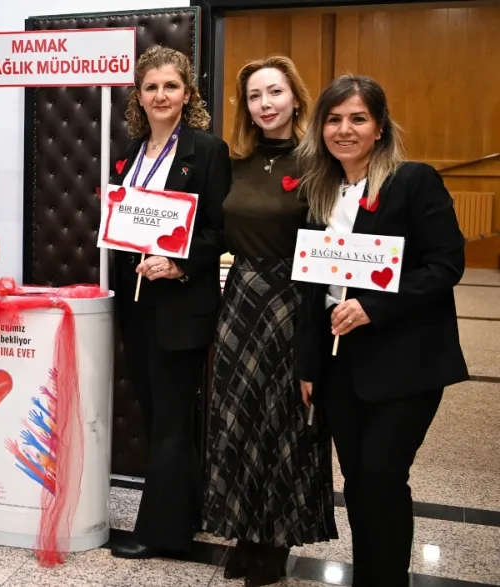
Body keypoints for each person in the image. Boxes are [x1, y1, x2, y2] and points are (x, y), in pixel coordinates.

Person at [295, 75, 468, 587]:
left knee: (383, 478)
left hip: (404, 361)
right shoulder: (319, 192)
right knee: (358, 482)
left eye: (358, 118)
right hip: (338, 361)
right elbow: (311, 289)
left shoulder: (412, 181)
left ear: (379, 128)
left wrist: (374, 307)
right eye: (333, 119)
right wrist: (308, 364)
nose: (344, 129)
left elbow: (445, 265)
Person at [202, 56, 337, 586]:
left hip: (292, 299)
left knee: (284, 421)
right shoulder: (232, 164)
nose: (265, 104)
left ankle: (275, 540)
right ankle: (243, 531)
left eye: (275, 92)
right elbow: (213, 229)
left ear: (296, 98)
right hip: (239, 297)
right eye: (255, 96)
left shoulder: (319, 162)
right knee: (237, 416)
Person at [104, 46, 231, 560]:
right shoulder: (128, 152)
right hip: (135, 305)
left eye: (170, 86)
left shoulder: (208, 151)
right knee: (157, 417)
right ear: (139, 95)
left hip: (180, 304)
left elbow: (221, 231)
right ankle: (188, 512)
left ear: (187, 94)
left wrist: (180, 264)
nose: (160, 95)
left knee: (173, 421)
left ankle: (161, 533)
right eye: (151, 87)